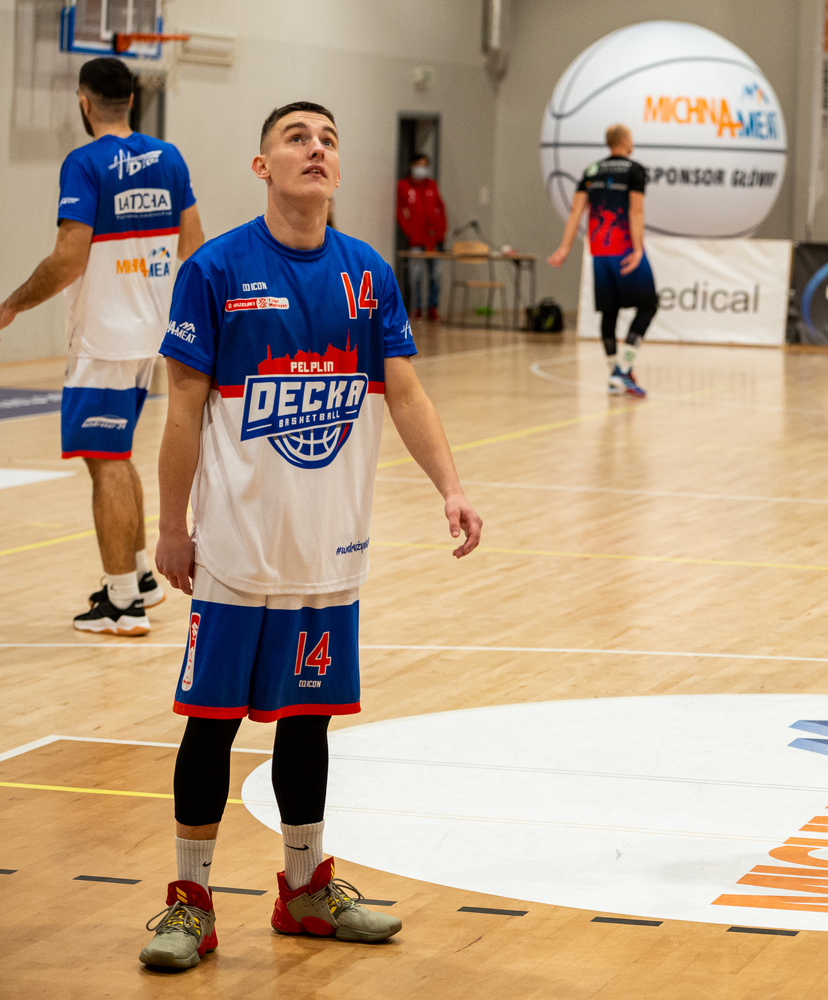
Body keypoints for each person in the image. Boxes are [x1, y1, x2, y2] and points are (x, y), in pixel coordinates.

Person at [137, 101, 483, 970]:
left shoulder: (367, 273)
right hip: (234, 552)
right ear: (262, 166)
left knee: (307, 725)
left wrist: (451, 487)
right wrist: (171, 527)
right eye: (297, 138)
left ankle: (304, 892)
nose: (316, 149)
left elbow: (405, 391)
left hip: (329, 554)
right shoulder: (215, 270)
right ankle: (190, 904)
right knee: (210, 727)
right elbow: (182, 411)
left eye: (328, 139)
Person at [0, 57, 203, 636]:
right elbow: (194, 246)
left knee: (105, 460)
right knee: (116, 455)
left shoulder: (85, 164)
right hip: (150, 337)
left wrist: (12, 304)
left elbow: (69, 259)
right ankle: (137, 578)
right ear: (132, 100)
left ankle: (121, 604)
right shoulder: (169, 158)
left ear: (84, 102)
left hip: (103, 339)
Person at [548, 124, 656, 397]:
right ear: (624, 140)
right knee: (648, 306)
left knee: (610, 312)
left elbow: (575, 212)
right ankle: (623, 369)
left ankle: (614, 375)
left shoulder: (592, 170)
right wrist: (638, 249)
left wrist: (564, 248)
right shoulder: (635, 170)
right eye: (631, 136)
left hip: (599, 250)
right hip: (624, 249)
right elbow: (636, 210)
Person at [396, 153, 446, 322]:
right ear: (412, 166)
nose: (421, 168)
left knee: (435, 275)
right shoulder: (403, 185)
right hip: (415, 240)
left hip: (433, 240)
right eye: (419, 165)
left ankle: (432, 307)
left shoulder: (431, 185)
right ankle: (416, 308)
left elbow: (441, 209)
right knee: (415, 276)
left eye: (425, 165)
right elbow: (400, 211)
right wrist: (409, 231)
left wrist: (440, 232)